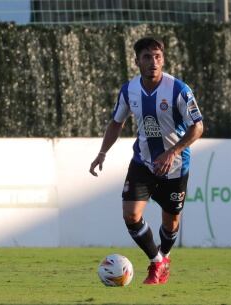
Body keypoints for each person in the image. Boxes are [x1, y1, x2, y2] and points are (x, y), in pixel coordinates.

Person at [89, 37, 204, 285]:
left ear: (163, 59)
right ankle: (157, 262)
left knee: (171, 221)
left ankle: (165, 257)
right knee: (130, 215)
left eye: (158, 56)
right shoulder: (129, 91)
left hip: (175, 166)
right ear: (137, 61)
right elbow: (116, 123)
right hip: (143, 162)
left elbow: (198, 128)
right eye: (147, 57)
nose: (153, 62)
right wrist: (102, 152)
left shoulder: (179, 90)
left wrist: (173, 151)